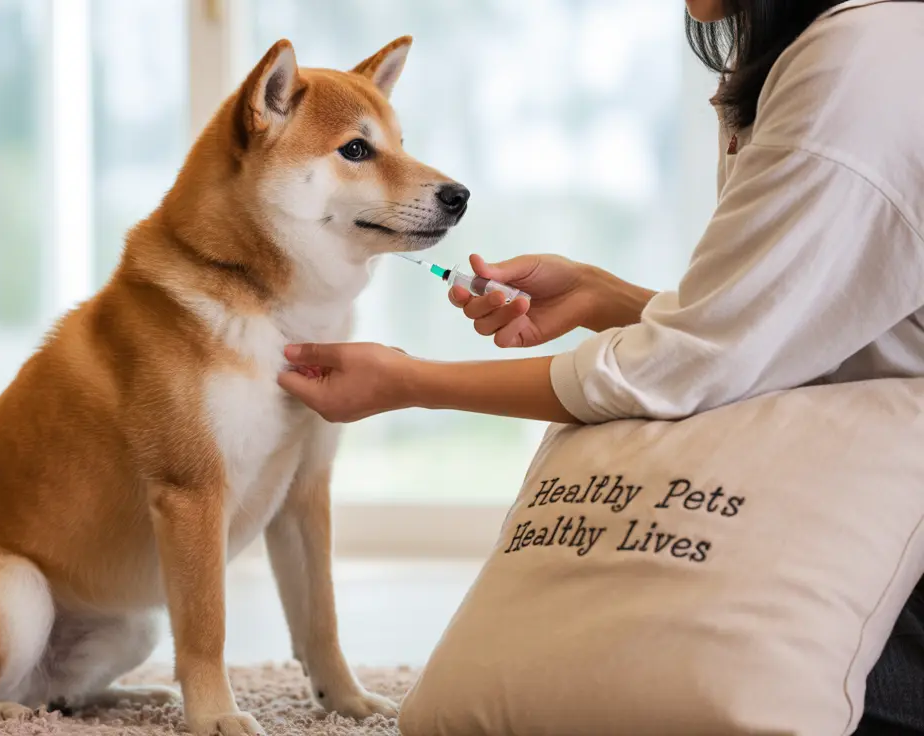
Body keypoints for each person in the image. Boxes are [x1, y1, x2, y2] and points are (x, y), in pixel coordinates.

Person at [276, 0, 924, 733]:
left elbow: (681, 370)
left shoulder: (859, 64)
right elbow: (785, 331)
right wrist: (602, 295)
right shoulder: (822, 51)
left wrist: (413, 381)